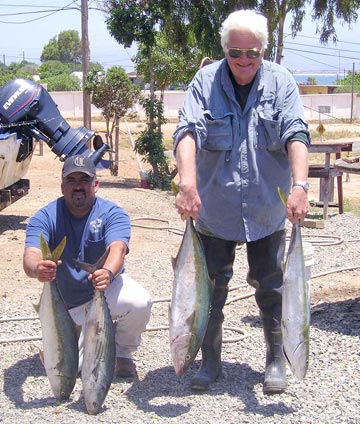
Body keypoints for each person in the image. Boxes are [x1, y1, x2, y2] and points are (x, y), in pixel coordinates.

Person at [173, 9, 311, 394]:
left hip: (267, 208)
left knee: (271, 286)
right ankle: (210, 360)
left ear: (263, 50)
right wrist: (188, 183)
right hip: (214, 209)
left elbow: (296, 132)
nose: (244, 60)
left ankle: (275, 360)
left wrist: (300, 185)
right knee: (211, 287)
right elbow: (187, 131)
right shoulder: (205, 81)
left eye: (252, 52)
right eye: (235, 53)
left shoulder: (281, 82)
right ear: (225, 51)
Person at [23, 154, 152, 378]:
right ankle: (85, 336)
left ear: (96, 184)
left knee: (139, 302)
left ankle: (122, 353)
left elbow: (118, 248)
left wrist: (108, 272)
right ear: (62, 186)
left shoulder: (113, 213)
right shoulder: (44, 217)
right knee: (73, 370)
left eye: (84, 180)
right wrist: (38, 269)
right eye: (71, 180)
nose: (78, 186)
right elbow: (30, 255)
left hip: (103, 290)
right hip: (66, 305)